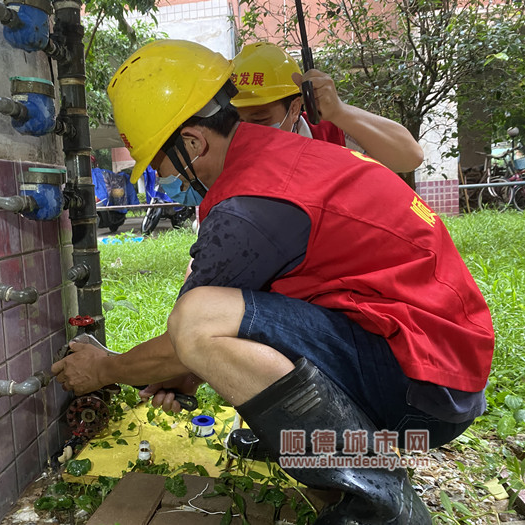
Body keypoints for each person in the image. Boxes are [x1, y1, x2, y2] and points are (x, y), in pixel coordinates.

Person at [52, 40, 494, 524]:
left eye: (159, 163)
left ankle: (380, 509)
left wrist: (104, 369)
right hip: (433, 369)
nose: (164, 179)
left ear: (194, 142)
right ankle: (346, 466)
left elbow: (195, 328)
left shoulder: (250, 204)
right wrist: (189, 367)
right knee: (209, 324)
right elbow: (236, 319)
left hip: (422, 396)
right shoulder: (281, 158)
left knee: (199, 318)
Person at [231, 42, 424, 174]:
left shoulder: (332, 137)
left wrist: (339, 111)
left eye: (259, 119)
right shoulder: (225, 150)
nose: (248, 131)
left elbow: (410, 157)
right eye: (238, 122)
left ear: (295, 108)